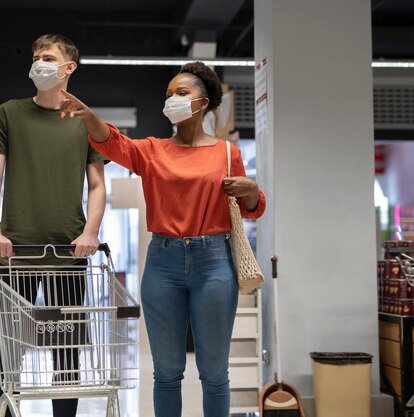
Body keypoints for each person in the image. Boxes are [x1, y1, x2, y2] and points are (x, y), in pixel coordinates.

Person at [58, 61, 266, 417]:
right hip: (163, 263)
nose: (172, 99)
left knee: (214, 373)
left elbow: (250, 208)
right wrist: (90, 115)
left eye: (181, 93)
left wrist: (251, 189)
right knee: (167, 372)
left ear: (202, 104)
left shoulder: (227, 154)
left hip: (214, 262)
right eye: (168, 94)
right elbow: (113, 143)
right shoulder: (153, 150)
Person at [0, 34, 107, 417]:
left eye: (48, 57)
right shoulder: (10, 113)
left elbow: (98, 185)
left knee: (66, 354)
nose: (39, 63)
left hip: (69, 254)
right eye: (36, 57)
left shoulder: (85, 120)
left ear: (69, 68)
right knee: (9, 351)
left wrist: (90, 232)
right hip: (14, 252)